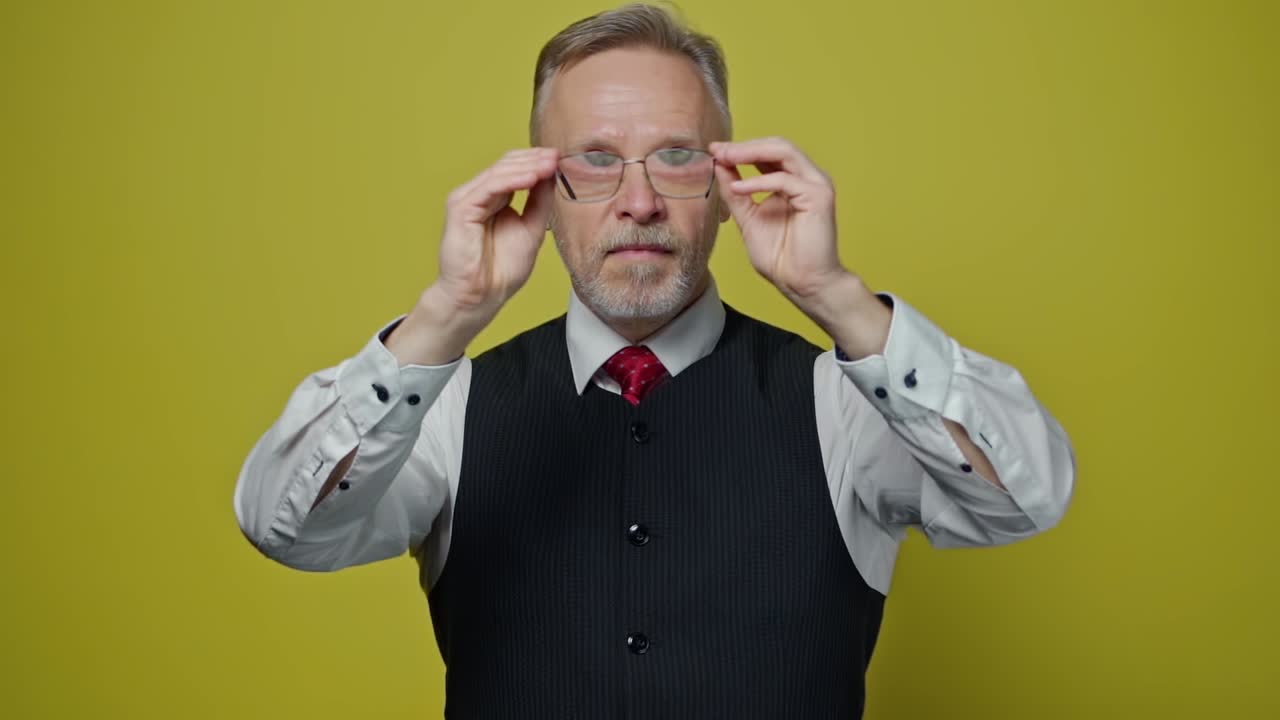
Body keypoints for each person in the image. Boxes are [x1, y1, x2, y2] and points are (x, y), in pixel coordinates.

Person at [233, 3, 1075, 717]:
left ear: (725, 184)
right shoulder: (447, 404)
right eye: (596, 161)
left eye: (676, 157)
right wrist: (443, 317)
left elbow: (1023, 500)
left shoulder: (844, 396)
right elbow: (287, 526)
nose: (638, 203)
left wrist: (838, 297)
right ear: (540, 189)